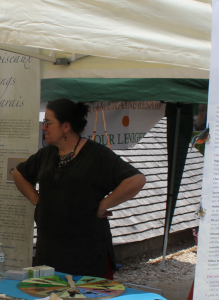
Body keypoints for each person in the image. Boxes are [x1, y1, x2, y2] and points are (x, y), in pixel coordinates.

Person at [13, 99, 146, 278]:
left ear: (66, 126)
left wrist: (103, 205)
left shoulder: (96, 155)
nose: (44, 128)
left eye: (48, 123)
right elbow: (19, 174)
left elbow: (136, 180)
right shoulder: (46, 154)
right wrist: (38, 200)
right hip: (50, 250)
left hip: (86, 253)